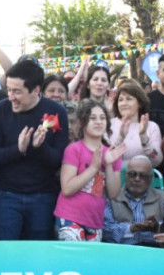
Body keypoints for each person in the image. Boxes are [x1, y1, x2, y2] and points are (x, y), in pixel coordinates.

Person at [0, 59, 69, 241]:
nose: (11, 97)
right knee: (5, 252)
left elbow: (58, 160)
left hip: (43, 197)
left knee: (38, 255)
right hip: (6, 196)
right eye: (8, 89)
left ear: (36, 90)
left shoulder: (56, 111)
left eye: (17, 91)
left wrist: (40, 147)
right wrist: (18, 150)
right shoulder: (1, 110)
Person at [54, 100, 126, 242]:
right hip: (70, 217)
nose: (98, 122)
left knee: (89, 263)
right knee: (72, 262)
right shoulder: (74, 149)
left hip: (95, 222)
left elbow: (113, 194)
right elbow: (67, 189)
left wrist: (109, 164)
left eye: (102, 118)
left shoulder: (112, 153)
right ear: (82, 122)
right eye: (92, 118)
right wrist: (93, 168)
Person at [103, 155, 164, 245]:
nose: (137, 179)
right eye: (132, 174)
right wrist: (130, 228)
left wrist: (157, 227)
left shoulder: (162, 198)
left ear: (150, 178)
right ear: (126, 175)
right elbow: (105, 230)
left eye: (143, 176)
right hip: (122, 250)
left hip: (154, 250)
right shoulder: (112, 197)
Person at [111, 82, 162, 167]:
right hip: (115, 178)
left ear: (140, 103)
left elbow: (156, 160)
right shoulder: (109, 125)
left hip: (142, 178)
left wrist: (143, 137)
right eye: (120, 100)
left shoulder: (151, 127)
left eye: (129, 99)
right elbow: (104, 160)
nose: (124, 103)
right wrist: (120, 138)